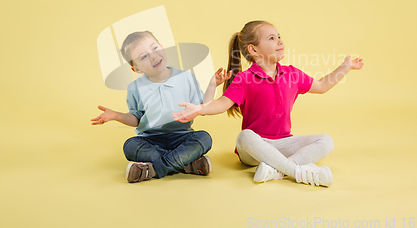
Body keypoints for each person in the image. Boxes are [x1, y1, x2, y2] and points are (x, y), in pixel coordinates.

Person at [173, 21, 364, 187]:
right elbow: (220, 104)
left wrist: (345, 66)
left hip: (282, 143)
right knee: (244, 136)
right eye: (272, 38)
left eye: (279, 36)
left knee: (326, 141)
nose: (280, 41)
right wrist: (198, 109)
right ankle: (298, 172)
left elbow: (322, 86)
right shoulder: (244, 79)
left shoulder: (292, 74)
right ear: (253, 50)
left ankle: (277, 171)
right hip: (255, 148)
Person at [91, 31, 231, 183]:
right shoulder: (135, 88)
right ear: (136, 69)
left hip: (182, 136)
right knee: (130, 146)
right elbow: (137, 118)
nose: (153, 56)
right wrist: (117, 115)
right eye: (143, 56)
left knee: (204, 138)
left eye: (155, 48)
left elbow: (202, 108)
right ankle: (185, 162)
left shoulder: (186, 77)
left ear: (163, 47)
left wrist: (212, 85)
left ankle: (153, 169)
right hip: (150, 140)